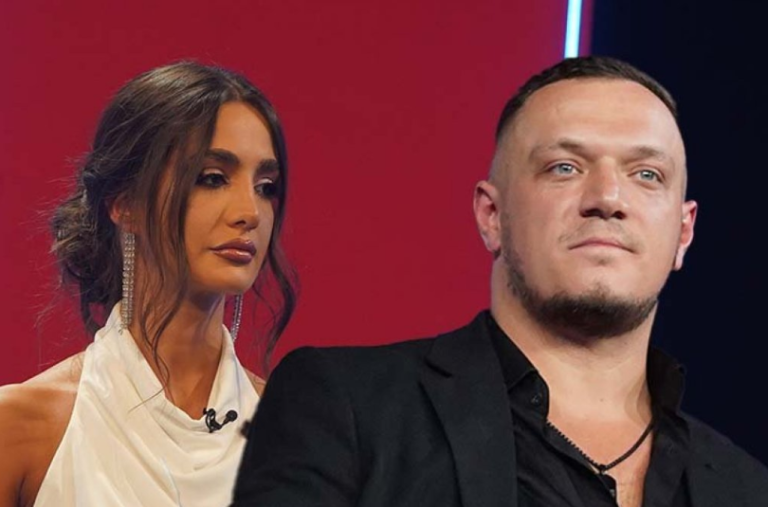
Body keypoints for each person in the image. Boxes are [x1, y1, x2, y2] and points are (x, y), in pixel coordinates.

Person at [231, 56, 768, 507]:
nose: (608, 198)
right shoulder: (344, 407)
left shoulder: (747, 487)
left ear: (683, 232)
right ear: (492, 216)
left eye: (646, 174)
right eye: (564, 167)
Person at [0, 61, 296, 507]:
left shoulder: (295, 438)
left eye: (266, 186)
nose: (250, 212)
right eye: (213, 179)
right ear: (126, 204)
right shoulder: (24, 428)